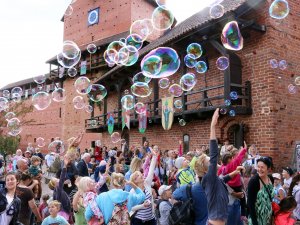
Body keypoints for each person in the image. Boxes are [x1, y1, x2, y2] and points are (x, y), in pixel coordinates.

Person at [201, 108, 243, 225]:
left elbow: (223, 179)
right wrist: (212, 127)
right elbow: (214, 154)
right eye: (210, 163)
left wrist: (235, 172)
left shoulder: (214, 180)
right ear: (206, 169)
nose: (214, 163)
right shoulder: (209, 178)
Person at [173, 155, 209, 225]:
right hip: (189, 191)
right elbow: (186, 182)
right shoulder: (181, 172)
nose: (187, 160)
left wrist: (196, 156)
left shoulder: (188, 169)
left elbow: (193, 164)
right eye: (184, 160)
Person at [129, 147, 158, 225]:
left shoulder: (147, 184)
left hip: (151, 219)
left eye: (141, 173)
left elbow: (151, 170)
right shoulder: (133, 191)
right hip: (139, 220)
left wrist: (154, 156)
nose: (141, 174)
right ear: (135, 180)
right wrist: (142, 205)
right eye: (138, 175)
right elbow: (130, 207)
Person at [247, 157, 274, 225]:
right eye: (258, 167)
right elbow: (250, 204)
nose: (259, 169)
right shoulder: (254, 181)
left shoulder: (271, 179)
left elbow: (269, 198)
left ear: (268, 168)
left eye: (262, 167)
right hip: (257, 218)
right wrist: (255, 222)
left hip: (268, 218)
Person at [49, 156, 72, 221]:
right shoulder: (58, 189)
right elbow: (62, 177)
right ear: (55, 185)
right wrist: (65, 166)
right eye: (56, 180)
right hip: (63, 212)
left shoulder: (56, 191)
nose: (58, 180)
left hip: (61, 211)